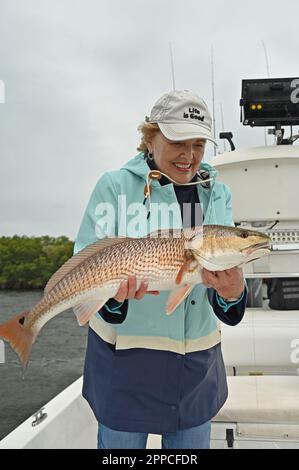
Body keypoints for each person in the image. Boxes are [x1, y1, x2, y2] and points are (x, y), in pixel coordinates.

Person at [74, 90, 247, 449]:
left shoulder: (218, 195)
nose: (189, 156)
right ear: (149, 137)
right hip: (123, 369)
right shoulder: (114, 187)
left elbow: (223, 289)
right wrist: (115, 300)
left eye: (198, 144)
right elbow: (87, 267)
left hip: (195, 371)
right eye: (178, 142)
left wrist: (233, 294)